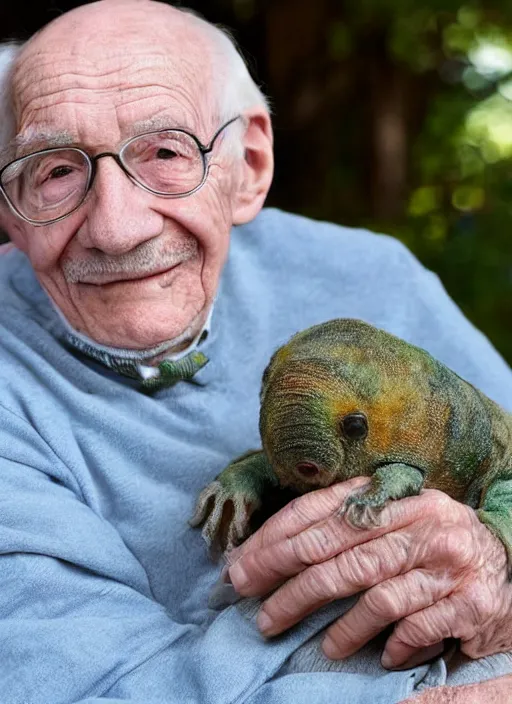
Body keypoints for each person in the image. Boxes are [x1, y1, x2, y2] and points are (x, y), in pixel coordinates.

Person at [0, 1, 511, 702]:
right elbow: (88, 688)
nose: (116, 228)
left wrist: (498, 568)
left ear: (250, 164)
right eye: (55, 170)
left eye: (166, 152)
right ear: (10, 207)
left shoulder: (371, 277)